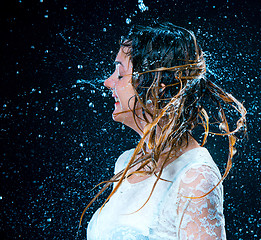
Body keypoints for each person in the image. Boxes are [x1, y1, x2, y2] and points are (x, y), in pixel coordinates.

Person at [81, 22, 246, 240]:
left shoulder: (195, 178)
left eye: (120, 75)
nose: (107, 82)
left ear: (157, 85)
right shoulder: (126, 163)